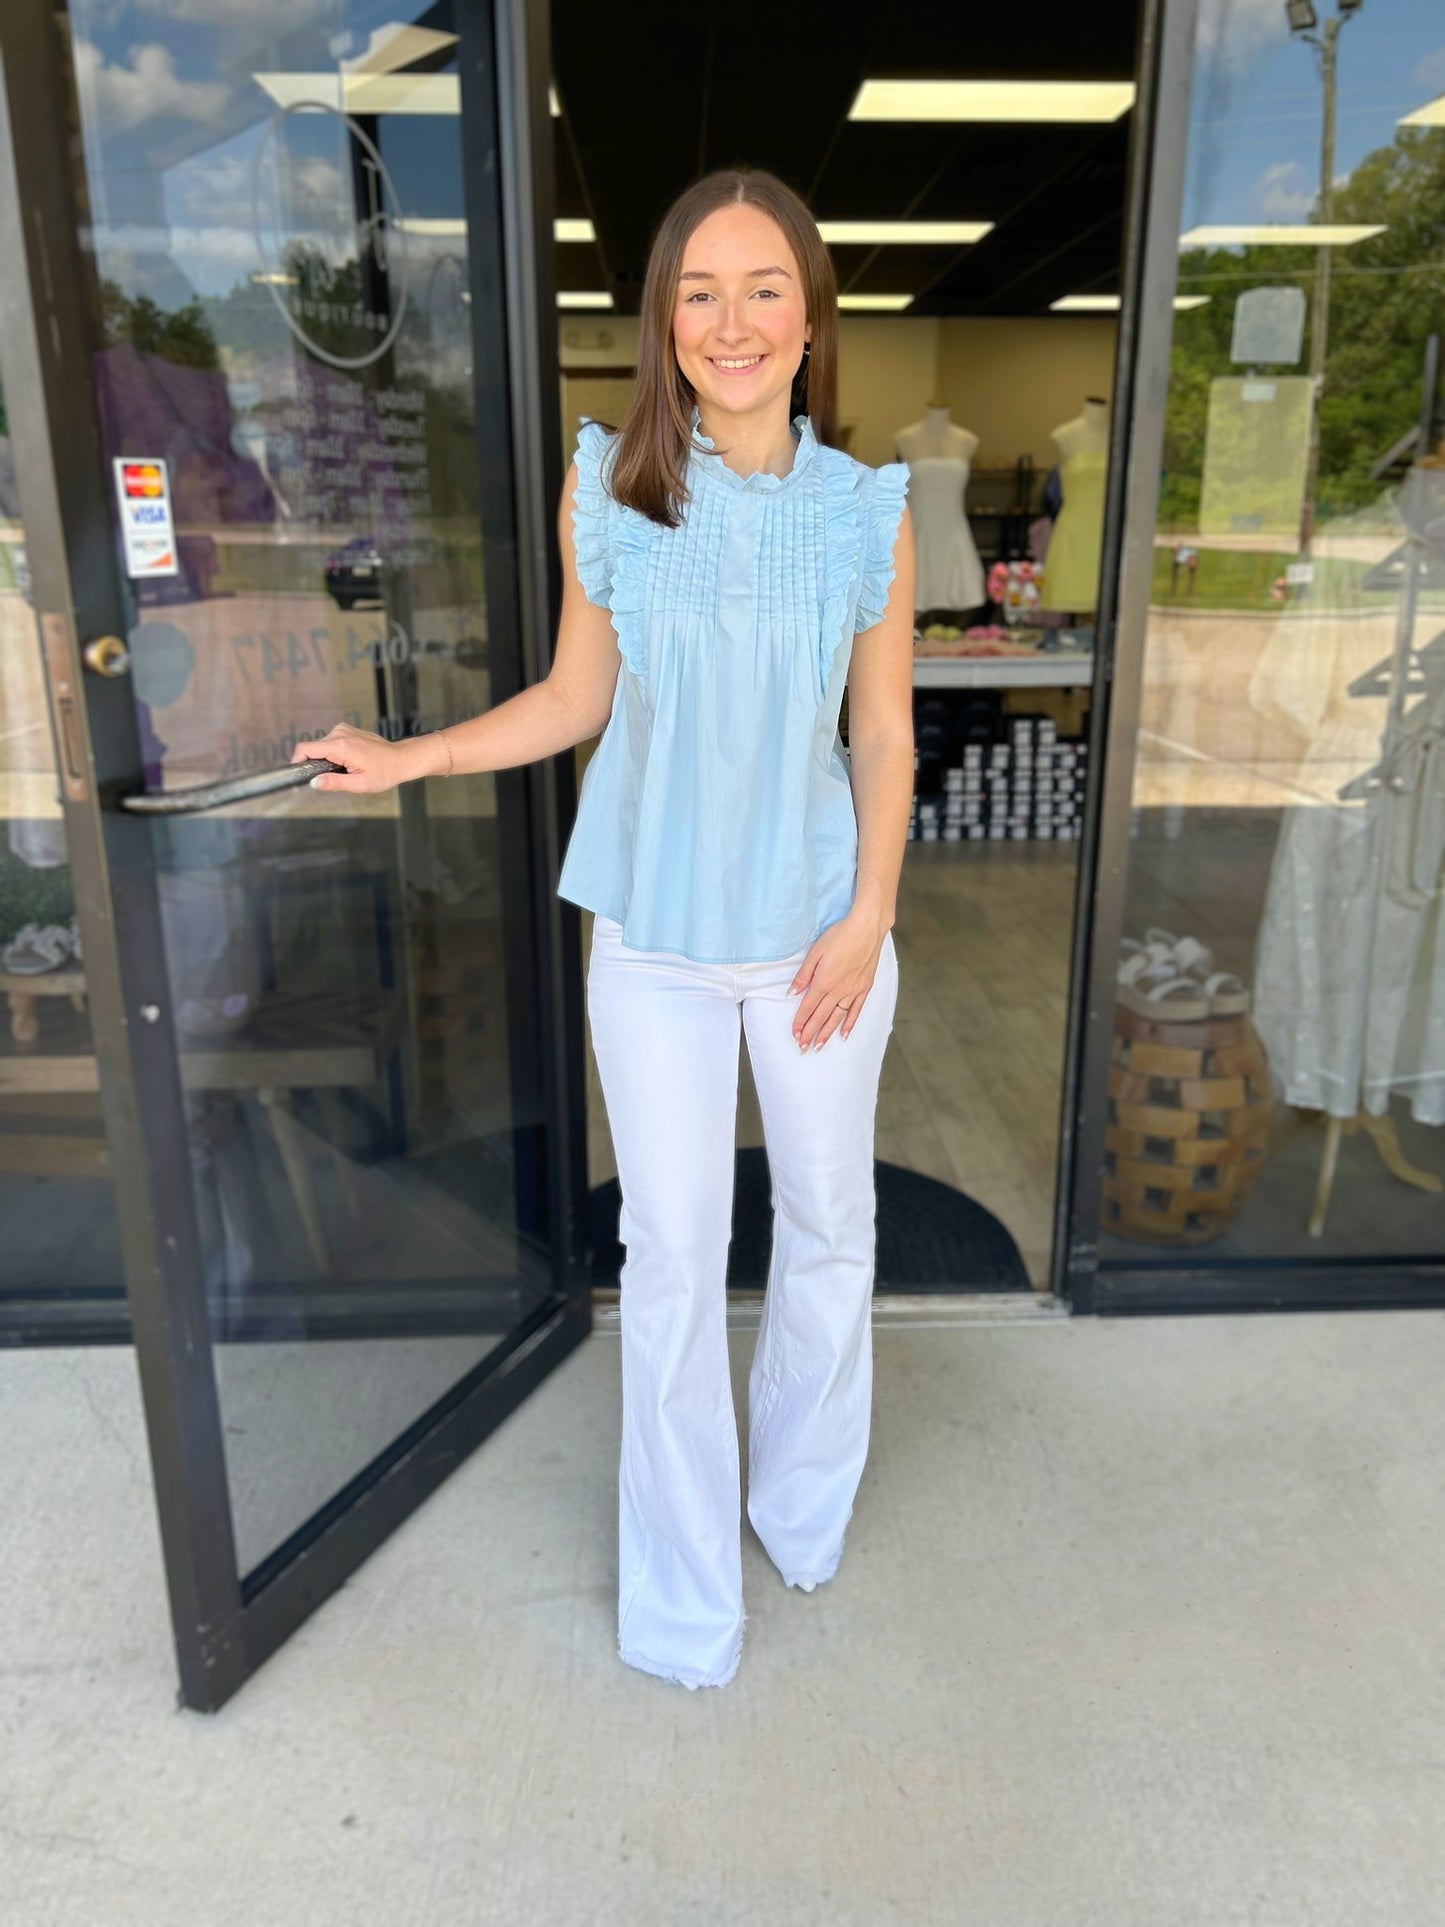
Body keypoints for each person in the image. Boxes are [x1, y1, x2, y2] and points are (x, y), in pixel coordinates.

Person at [293, 166, 916, 1691]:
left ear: (812, 315)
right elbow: (575, 703)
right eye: (697, 292)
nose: (731, 319)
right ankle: (686, 1594)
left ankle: (799, 1502)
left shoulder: (864, 510)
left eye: (763, 286)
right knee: (672, 1256)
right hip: (651, 942)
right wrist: (408, 756)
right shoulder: (615, 497)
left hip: (819, 938)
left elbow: (886, 738)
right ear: (662, 325)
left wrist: (870, 915)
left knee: (832, 1228)